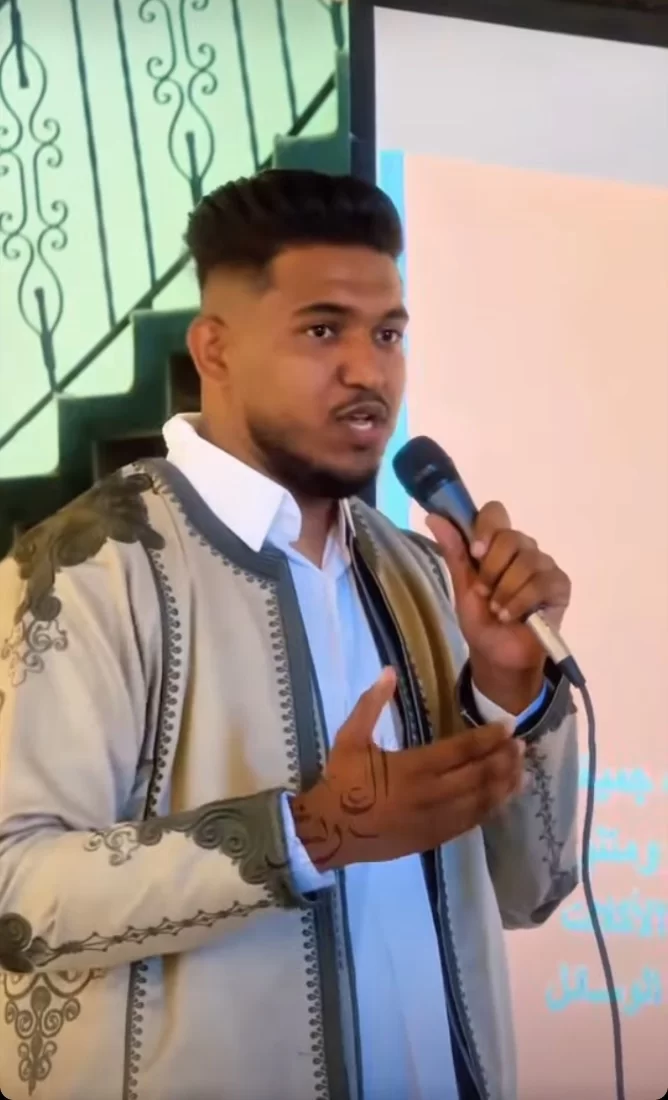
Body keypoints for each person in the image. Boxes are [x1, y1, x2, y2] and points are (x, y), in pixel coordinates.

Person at [0, 169, 578, 1100]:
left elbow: (531, 892)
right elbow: (17, 894)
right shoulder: (87, 569)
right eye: (323, 331)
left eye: (388, 334)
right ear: (215, 348)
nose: (369, 371)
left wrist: (508, 684)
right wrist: (307, 833)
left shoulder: (425, 574)